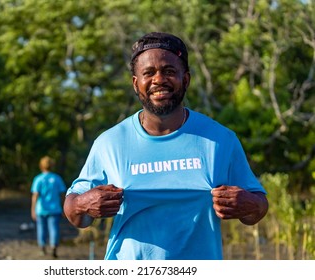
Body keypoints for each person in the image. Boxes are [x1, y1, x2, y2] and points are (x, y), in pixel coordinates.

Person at [64, 32, 268, 260]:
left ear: (186, 79)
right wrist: (83, 204)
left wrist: (248, 204)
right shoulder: (110, 142)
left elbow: (257, 209)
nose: (159, 80)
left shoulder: (220, 140)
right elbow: (74, 213)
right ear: (135, 83)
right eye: (148, 73)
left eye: (169, 71)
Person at [31, 156, 66, 258]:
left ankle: (42, 248)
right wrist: (64, 207)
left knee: (41, 228)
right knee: (54, 228)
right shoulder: (57, 178)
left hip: (41, 209)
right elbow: (62, 194)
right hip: (55, 209)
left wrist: (32, 209)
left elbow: (35, 196)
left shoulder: (38, 179)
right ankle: (54, 247)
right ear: (52, 166)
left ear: (41, 166)